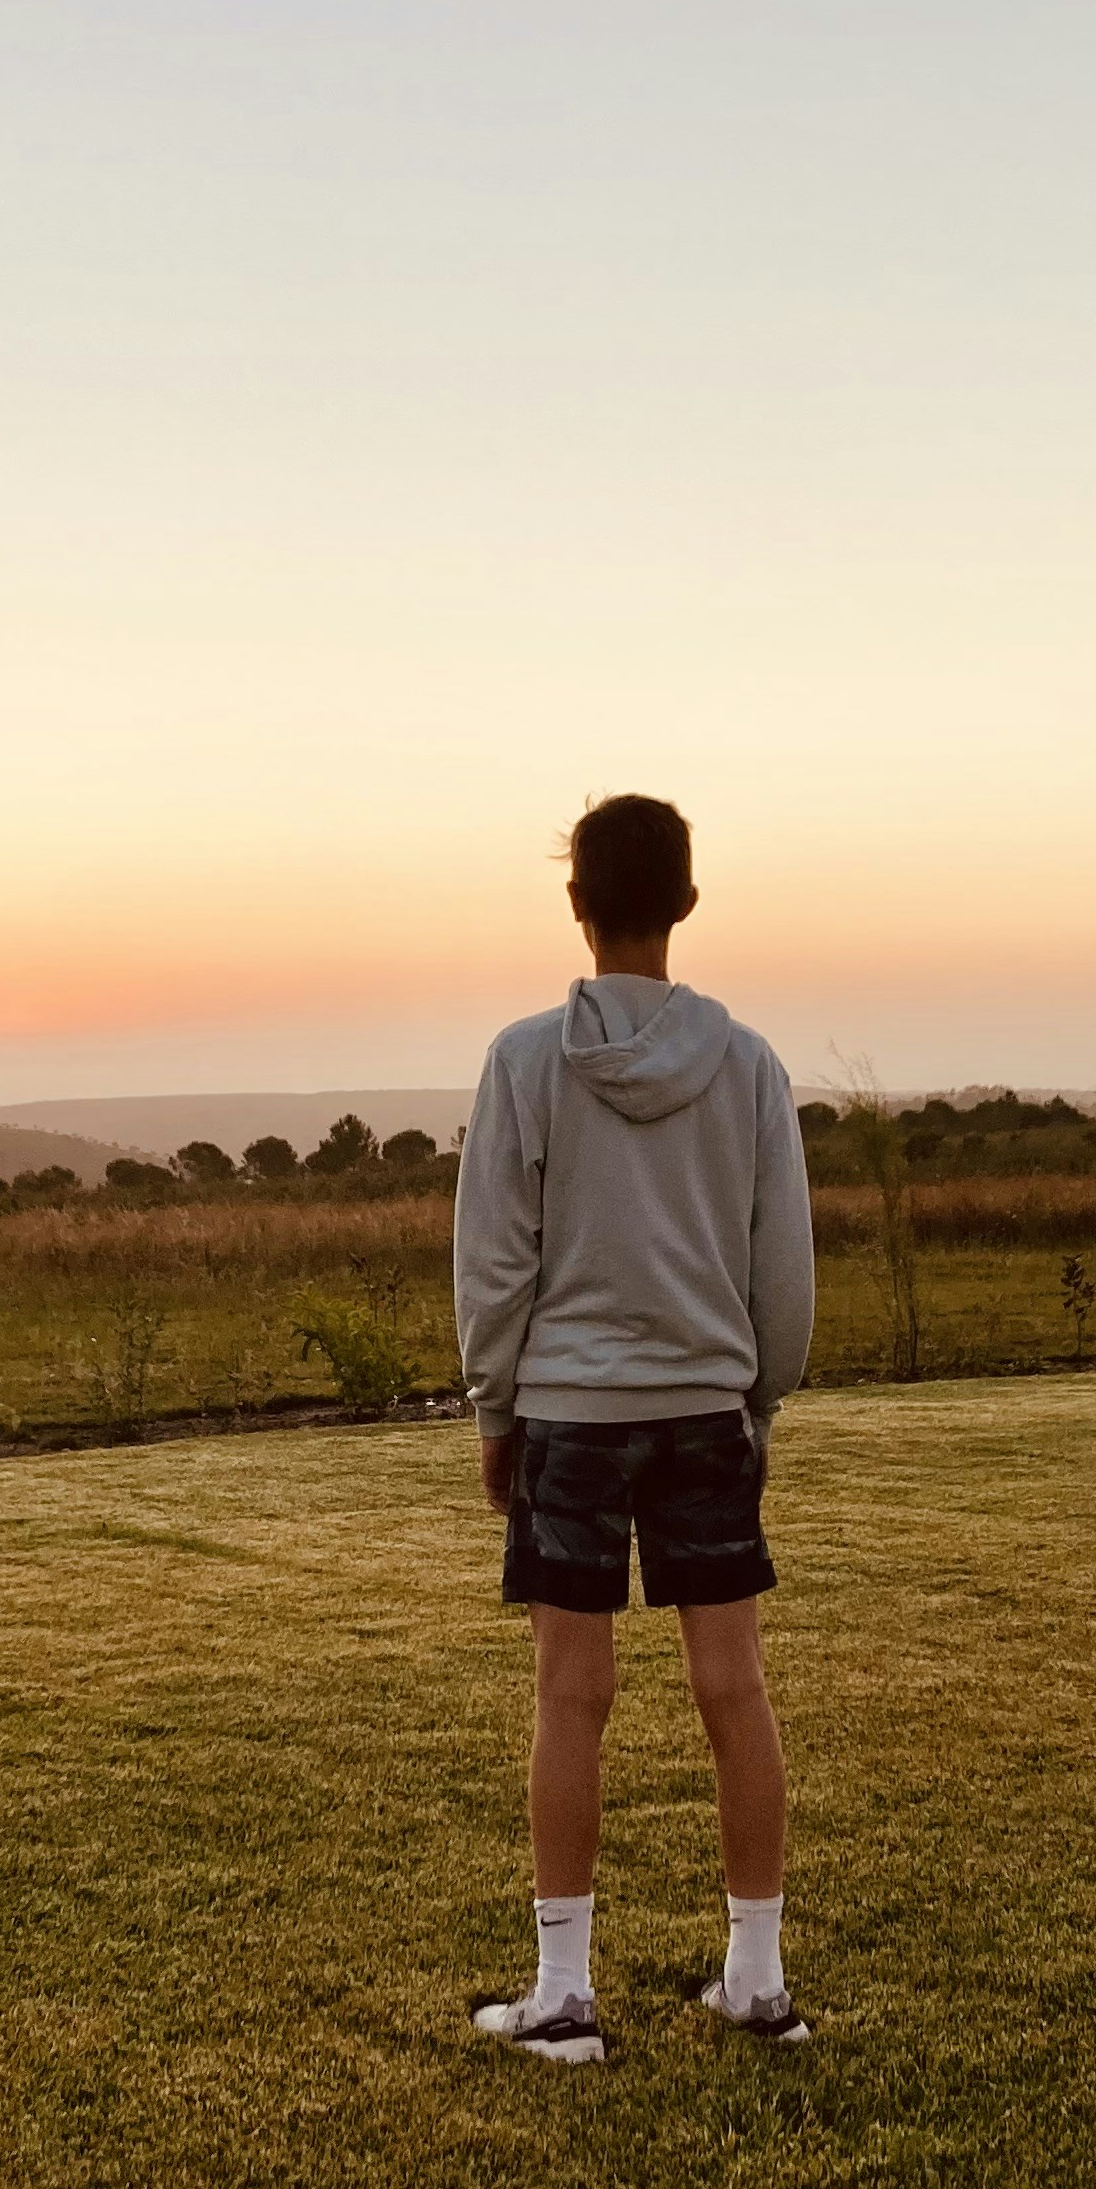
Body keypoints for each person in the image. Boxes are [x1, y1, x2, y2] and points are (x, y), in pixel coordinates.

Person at [452, 792, 817, 2064]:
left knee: (572, 1693)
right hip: (707, 1407)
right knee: (736, 1689)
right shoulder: (753, 1064)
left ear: (575, 905)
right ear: (689, 904)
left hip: (569, 1412)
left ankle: (563, 1998)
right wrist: (757, 1398)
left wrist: (495, 1406)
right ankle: (757, 1985)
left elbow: (494, 1262)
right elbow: (785, 1269)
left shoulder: (522, 1062)